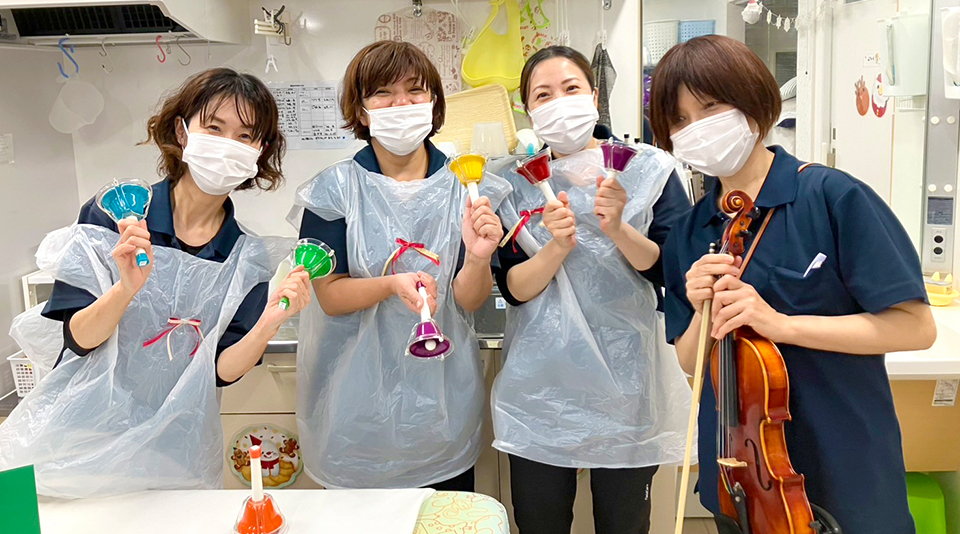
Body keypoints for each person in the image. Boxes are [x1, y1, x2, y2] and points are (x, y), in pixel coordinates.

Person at [651, 35, 936, 534]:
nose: (696, 128)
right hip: (742, 478)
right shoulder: (691, 231)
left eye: (710, 107)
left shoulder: (832, 196)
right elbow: (691, 363)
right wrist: (701, 311)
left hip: (844, 473)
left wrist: (780, 324)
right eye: (679, 120)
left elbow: (915, 328)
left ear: (752, 101)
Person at [0, 68, 311, 498]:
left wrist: (270, 322)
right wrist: (125, 288)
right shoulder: (117, 218)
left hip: (173, 454)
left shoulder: (245, 257)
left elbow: (219, 372)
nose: (228, 144)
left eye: (245, 136)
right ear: (182, 132)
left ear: (260, 150)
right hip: (75, 440)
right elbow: (79, 339)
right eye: (214, 128)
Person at [492, 45, 693, 534]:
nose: (559, 102)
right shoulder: (512, 184)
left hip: (626, 384)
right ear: (527, 110)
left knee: (624, 523)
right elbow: (513, 288)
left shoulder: (649, 170)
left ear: (594, 94)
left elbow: (672, 273)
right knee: (539, 523)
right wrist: (556, 247)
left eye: (571, 88)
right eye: (543, 95)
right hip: (540, 386)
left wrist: (619, 228)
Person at [292, 41, 507, 490]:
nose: (401, 103)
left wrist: (479, 256)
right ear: (361, 109)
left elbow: (468, 300)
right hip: (356, 406)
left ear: (434, 102)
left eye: (415, 90)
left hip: (442, 402)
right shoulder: (334, 191)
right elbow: (329, 296)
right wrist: (391, 285)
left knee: (442, 516)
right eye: (383, 93)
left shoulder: (466, 185)